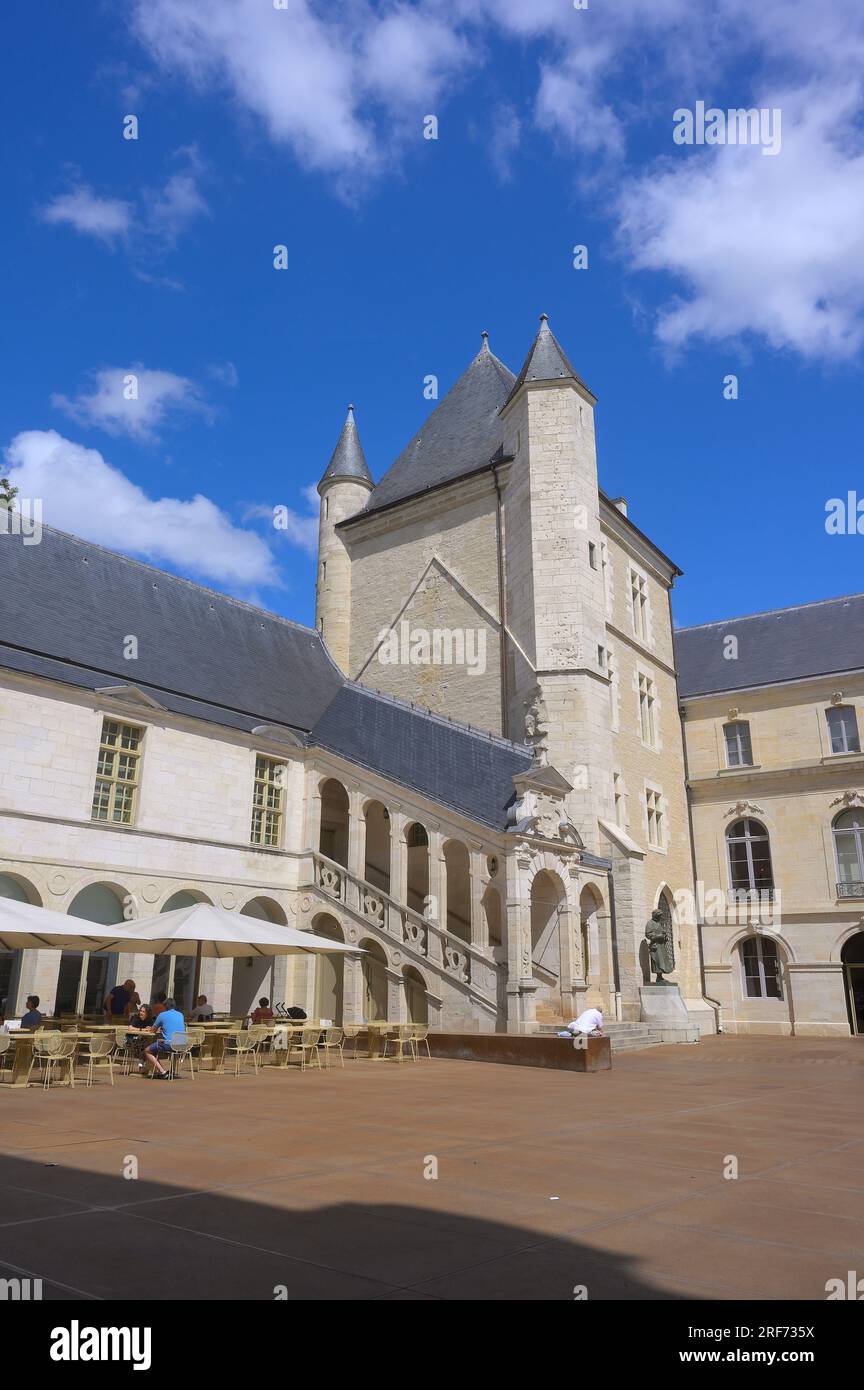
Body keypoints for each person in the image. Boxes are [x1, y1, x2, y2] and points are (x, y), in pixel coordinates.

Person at [143, 997, 186, 1079]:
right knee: (173, 1050)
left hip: (169, 1044)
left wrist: (152, 1028)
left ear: (165, 1006)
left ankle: (162, 1071)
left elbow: (152, 1030)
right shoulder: (180, 1014)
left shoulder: (162, 1015)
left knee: (147, 1051)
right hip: (181, 1043)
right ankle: (172, 1071)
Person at [126, 1003, 154, 1069]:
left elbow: (154, 1028)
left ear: (147, 1013)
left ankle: (146, 1063)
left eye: (143, 1012)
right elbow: (130, 1028)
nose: (141, 1013)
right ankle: (143, 1061)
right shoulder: (135, 1017)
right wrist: (142, 1029)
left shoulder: (149, 1020)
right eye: (140, 1011)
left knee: (149, 1044)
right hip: (130, 1040)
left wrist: (151, 1028)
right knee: (145, 1043)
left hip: (142, 1040)